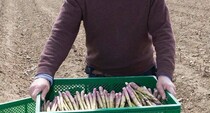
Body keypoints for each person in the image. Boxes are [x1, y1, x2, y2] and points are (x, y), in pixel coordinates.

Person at [29, 0, 176, 101]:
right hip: (100, 80)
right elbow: (62, 33)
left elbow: (162, 32)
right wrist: (45, 73)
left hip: (143, 77)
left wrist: (165, 74)